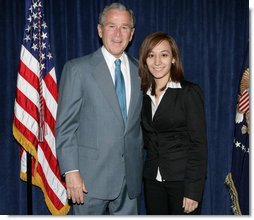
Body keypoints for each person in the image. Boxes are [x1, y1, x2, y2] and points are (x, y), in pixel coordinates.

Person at [55, 2, 143, 215]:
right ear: (100, 29)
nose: (117, 34)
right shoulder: (77, 69)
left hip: (128, 182)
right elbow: (65, 127)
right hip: (89, 181)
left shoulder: (140, 70)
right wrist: (71, 171)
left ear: (131, 34)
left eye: (124, 27)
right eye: (111, 26)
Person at [139, 32, 208, 215]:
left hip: (183, 183)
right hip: (152, 181)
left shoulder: (188, 93)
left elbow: (198, 145)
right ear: (145, 60)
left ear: (174, 59)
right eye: (151, 55)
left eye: (164, 54)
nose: (157, 61)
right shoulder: (142, 96)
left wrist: (193, 191)